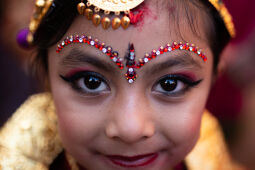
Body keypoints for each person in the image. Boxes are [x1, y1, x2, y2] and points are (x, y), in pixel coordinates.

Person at [0, 0, 245, 169]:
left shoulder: (206, 149)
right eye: (91, 82)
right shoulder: (17, 157)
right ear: (46, 78)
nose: (130, 128)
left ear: (213, 79)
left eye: (170, 84)